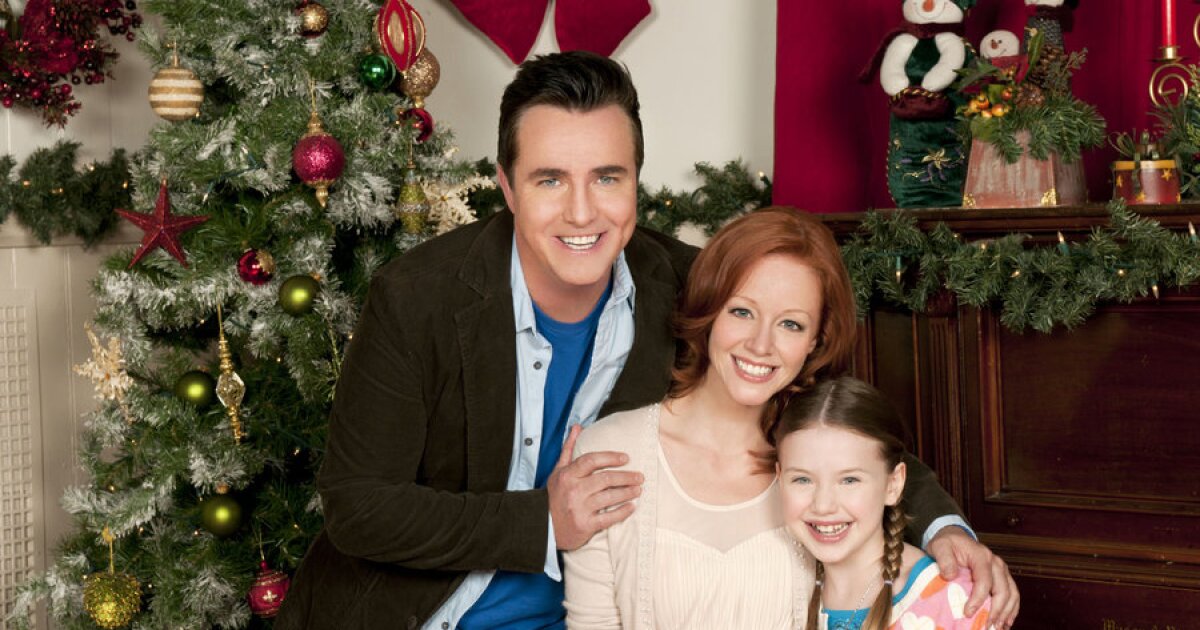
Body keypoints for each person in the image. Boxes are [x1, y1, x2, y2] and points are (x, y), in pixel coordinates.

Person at [277, 51, 1016, 630]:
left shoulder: (694, 290)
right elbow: (357, 506)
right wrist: (542, 521)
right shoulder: (419, 298)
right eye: (549, 180)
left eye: (607, 177)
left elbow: (824, 417)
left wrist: (944, 528)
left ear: (636, 180)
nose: (582, 212)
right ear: (506, 187)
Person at [563, 207, 981, 628]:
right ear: (709, 310)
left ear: (815, 340)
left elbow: (887, 481)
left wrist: (950, 541)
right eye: (742, 312)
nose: (761, 345)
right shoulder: (611, 451)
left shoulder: (821, 452)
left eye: (791, 325)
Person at [775, 376, 991, 630]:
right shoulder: (778, 592)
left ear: (893, 484)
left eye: (849, 480)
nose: (823, 505)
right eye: (802, 479)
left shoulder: (954, 602)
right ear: (779, 479)